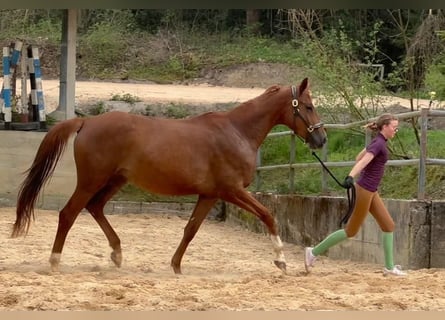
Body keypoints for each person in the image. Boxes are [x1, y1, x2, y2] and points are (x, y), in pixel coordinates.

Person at [304, 113, 407, 276]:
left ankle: (389, 266)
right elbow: (363, 160)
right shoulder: (379, 144)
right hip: (365, 190)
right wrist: (351, 176)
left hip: (371, 191)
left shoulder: (378, 142)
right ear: (385, 127)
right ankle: (313, 252)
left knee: (388, 225)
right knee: (351, 231)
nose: (396, 130)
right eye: (394, 127)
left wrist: (363, 161)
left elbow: (359, 156)